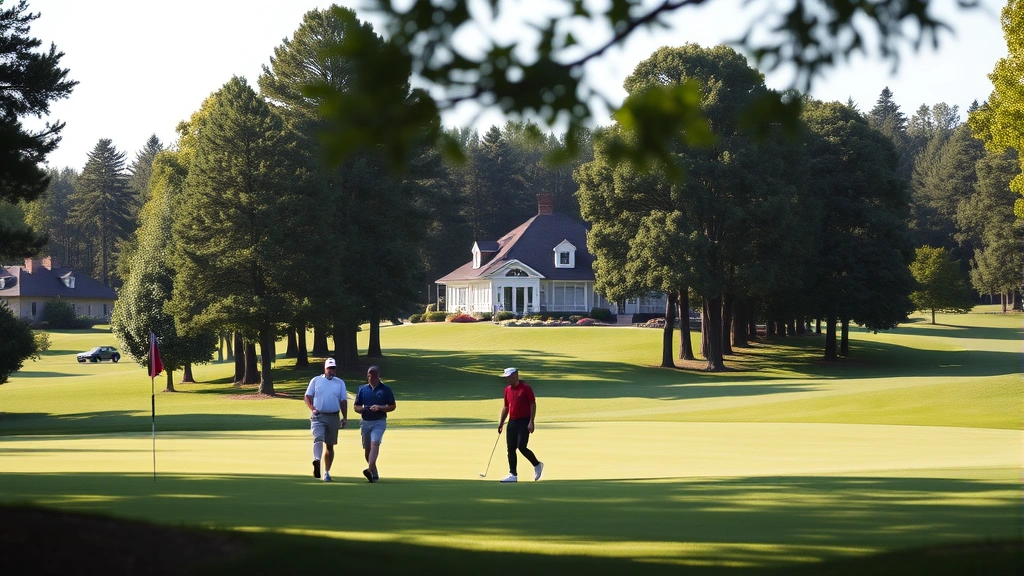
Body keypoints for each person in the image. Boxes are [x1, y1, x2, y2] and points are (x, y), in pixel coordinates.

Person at [304, 357, 348, 482]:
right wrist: (312, 408)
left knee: (330, 446)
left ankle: (327, 472)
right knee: (318, 438)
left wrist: (345, 417)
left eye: (333, 368)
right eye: (329, 368)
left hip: (334, 416)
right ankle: (317, 460)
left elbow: (343, 401)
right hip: (318, 416)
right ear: (325, 368)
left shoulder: (340, 383)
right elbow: (307, 396)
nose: (331, 370)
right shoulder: (316, 380)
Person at [497, 367, 543, 482]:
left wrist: (531, 421)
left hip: (524, 421)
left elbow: (532, 404)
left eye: (509, 377)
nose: (507, 379)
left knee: (521, 446)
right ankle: (513, 474)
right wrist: (501, 423)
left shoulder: (526, 388)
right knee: (510, 449)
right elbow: (506, 406)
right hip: (512, 421)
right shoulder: (507, 389)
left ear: (515, 375)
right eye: (506, 377)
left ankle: (537, 464)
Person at [354, 365, 396, 483]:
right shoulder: (362, 389)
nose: (373, 377)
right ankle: (374, 471)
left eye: (375, 375)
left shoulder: (385, 390)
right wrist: (363, 409)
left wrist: (380, 407)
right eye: (371, 375)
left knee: (375, 443)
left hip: (379, 421)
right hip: (365, 422)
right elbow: (356, 407)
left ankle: (369, 469)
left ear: (379, 376)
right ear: (368, 376)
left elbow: (392, 406)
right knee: (367, 450)